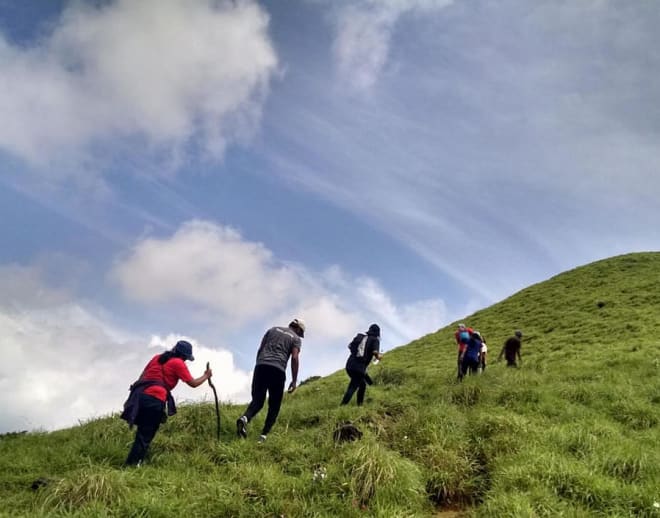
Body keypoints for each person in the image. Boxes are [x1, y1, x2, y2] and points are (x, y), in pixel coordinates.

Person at [124, 340, 212, 466]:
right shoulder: (178, 363)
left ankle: (134, 462)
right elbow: (193, 383)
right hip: (155, 399)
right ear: (184, 356)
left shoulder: (157, 358)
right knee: (145, 435)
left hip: (141, 397)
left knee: (141, 433)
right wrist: (206, 376)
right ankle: (133, 465)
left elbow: (142, 376)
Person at [236, 318, 304, 442]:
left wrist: (258, 365)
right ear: (298, 329)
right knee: (274, 406)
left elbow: (260, 349)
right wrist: (294, 381)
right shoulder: (296, 339)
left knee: (258, 401)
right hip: (277, 370)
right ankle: (263, 436)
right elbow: (294, 358)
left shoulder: (272, 330)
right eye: (301, 333)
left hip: (261, 366)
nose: (300, 335)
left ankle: (245, 418)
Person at [341, 324, 382, 406]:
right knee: (353, 386)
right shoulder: (375, 340)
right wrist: (380, 357)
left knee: (362, 385)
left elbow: (350, 346)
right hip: (359, 367)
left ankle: (360, 405)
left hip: (349, 365)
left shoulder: (361, 337)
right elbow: (375, 353)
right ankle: (342, 406)